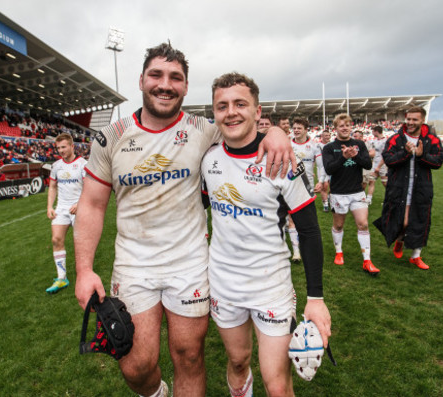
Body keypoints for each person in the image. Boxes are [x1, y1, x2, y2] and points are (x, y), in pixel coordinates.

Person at [73, 43, 295, 397]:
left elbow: (243, 126)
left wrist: (277, 133)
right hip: (134, 264)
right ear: (141, 80)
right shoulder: (111, 137)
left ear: (186, 86)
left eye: (175, 77)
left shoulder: (203, 129)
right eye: (156, 75)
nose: (165, 84)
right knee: (135, 365)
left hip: (190, 263)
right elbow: (92, 205)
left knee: (189, 356)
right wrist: (84, 270)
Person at [203, 71, 330, 397]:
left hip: (270, 285)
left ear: (257, 112)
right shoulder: (209, 160)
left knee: (277, 383)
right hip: (223, 284)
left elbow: (310, 231)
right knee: (238, 361)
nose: (231, 112)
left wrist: (315, 298)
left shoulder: (283, 160)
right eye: (222, 106)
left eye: (240, 104)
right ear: (214, 113)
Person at [373, 106, 443, 270]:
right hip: (399, 187)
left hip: (422, 187)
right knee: (404, 221)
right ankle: (400, 239)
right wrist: (405, 153)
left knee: (421, 220)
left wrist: (422, 156)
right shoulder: (396, 139)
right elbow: (389, 160)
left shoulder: (431, 139)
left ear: (422, 120)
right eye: (409, 119)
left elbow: (438, 161)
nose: (411, 122)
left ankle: (415, 256)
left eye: (415, 119)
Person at [322, 114, 380, 275]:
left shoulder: (359, 144)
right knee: (339, 225)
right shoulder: (329, 148)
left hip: (357, 192)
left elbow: (367, 164)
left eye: (347, 125)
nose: (345, 128)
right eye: (341, 126)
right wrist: (343, 157)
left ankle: (367, 260)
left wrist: (356, 156)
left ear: (351, 127)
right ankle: (339, 252)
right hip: (339, 193)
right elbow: (329, 169)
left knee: (363, 224)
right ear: (336, 128)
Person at [46, 133, 87, 293]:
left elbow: (89, 187)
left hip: (79, 207)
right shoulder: (56, 166)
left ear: (72, 146)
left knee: (81, 244)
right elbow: (52, 187)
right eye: (58, 148)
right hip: (62, 208)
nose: (61, 150)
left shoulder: (83, 164)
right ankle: (62, 278)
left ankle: (84, 274)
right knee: (56, 239)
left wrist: (79, 203)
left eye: (63, 147)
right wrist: (50, 206)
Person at [287, 117, 326, 262]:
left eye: (299, 128)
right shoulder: (288, 143)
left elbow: (321, 166)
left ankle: (307, 247)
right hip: (290, 186)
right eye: (294, 128)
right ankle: (296, 252)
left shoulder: (315, 146)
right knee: (292, 218)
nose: (296, 130)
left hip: (308, 187)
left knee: (306, 221)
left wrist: (321, 181)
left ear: (306, 130)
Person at [366, 125, 388, 205]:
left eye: (373, 131)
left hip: (383, 165)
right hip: (375, 164)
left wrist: (379, 166)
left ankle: (389, 199)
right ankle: (369, 199)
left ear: (376, 131)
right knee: (371, 181)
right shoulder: (374, 141)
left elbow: (385, 155)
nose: (372, 133)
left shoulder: (386, 141)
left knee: (385, 183)